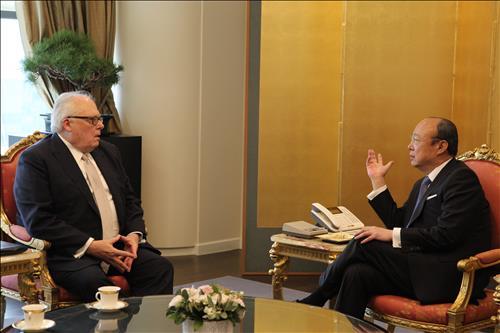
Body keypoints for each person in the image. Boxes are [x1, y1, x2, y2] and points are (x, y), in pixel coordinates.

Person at [298, 117, 491, 319]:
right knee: (356, 273)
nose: (409, 146)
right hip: (420, 268)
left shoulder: (460, 179)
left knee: (364, 242)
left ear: (441, 146)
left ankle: (317, 298)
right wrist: (377, 181)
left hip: (448, 275)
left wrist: (390, 235)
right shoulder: (423, 184)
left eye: (416, 140)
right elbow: (400, 223)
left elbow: (447, 235)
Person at [14, 91, 174, 301]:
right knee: (95, 283)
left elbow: (130, 201)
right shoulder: (37, 159)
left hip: (119, 248)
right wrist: (91, 245)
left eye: (99, 119)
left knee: (159, 268)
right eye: (92, 120)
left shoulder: (109, 152)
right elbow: (38, 220)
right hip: (74, 254)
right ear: (67, 124)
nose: (101, 125)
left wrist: (135, 236)